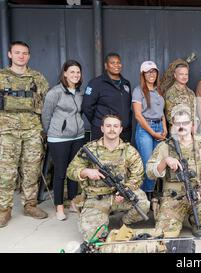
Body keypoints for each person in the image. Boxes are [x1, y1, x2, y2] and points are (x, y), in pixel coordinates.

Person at [66, 115, 150, 240]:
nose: (112, 129)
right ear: (102, 128)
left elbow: (137, 175)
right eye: (108, 126)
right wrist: (85, 172)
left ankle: (124, 222)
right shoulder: (90, 149)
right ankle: (98, 219)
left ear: (121, 129)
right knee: (93, 236)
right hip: (96, 197)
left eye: (115, 126)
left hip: (120, 195)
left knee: (143, 204)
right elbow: (70, 171)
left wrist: (125, 190)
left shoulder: (129, 151)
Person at [147, 110, 201, 238]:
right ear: (172, 126)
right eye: (177, 123)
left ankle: (193, 219)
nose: (181, 126)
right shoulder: (164, 146)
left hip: (197, 195)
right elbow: (149, 173)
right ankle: (175, 219)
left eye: (185, 122)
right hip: (172, 197)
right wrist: (165, 161)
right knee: (168, 235)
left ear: (192, 125)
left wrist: (200, 191)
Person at [0, 41, 49, 228]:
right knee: (6, 173)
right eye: (17, 52)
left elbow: (47, 102)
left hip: (32, 131)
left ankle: (30, 205)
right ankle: (4, 210)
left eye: (25, 53)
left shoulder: (37, 78)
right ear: (10, 54)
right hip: (7, 132)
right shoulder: (1, 77)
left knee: (31, 171)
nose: (21, 56)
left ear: (29, 56)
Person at [41, 59, 85, 221]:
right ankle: (59, 207)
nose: (75, 75)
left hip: (78, 137)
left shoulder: (80, 92)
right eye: (72, 72)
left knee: (73, 172)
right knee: (60, 173)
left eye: (78, 72)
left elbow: (79, 113)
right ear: (65, 73)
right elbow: (46, 115)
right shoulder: (55, 92)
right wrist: (53, 132)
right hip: (59, 139)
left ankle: (73, 202)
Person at [132, 61, 167, 198]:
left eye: (153, 71)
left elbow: (161, 112)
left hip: (159, 127)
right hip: (146, 129)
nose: (151, 74)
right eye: (148, 72)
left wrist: (164, 128)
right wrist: (153, 133)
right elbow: (138, 116)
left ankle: (152, 194)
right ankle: (145, 196)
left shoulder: (159, 91)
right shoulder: (138, 91)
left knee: (157, 162)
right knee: (147, 162)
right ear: (143, 74)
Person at [81, 53, 132, 142]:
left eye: (118, 62)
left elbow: (127, 107)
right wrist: (99, 122)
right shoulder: (96, 83)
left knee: (122, 156)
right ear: (106, 65)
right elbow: (86, 106)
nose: (116, 65)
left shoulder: (126, 83)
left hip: (123, 131)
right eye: (112, 62)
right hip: (103, 132)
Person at [164, 62, 196, 128]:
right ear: (175, 75)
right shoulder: (171, 93)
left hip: (190, 131)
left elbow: (194, 114)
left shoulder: (191, 93)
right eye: (181, 74)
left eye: (186, 74)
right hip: (178, 130)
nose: (184, 77)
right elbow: (169, 116)